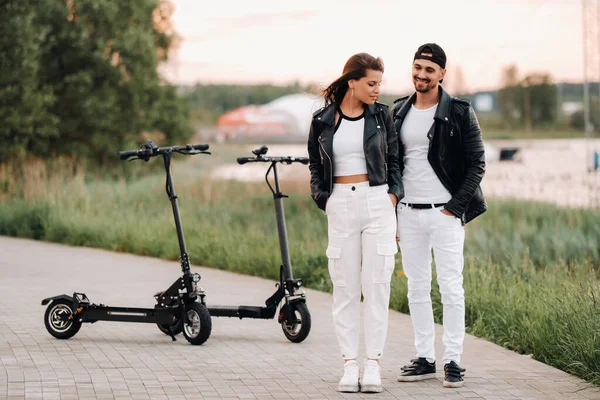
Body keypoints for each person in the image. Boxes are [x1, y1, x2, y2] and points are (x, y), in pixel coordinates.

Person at [392, 43, 486, 388]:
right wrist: (394, 207)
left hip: (444, 214)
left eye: (429, 70)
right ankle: (425, 358)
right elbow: (392, 164)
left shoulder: (459, 112)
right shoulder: (398, 111)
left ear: (442, 74)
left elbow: (477, 164)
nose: (421, 74)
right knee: (416, 288)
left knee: (451, 288)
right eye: (417, 67)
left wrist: (453, 208)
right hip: (408, 213)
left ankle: (453, 361)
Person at [307, 53, 402, 393]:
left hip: (377, 201)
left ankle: (373, 364)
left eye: (379, 83)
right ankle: (349, 365)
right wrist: (325, 199)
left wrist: (392, 196)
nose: (377, 89)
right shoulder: (322, 119)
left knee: (376, 286)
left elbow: (395, 161)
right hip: (340, 205)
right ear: (352, 82)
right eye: (371, 83)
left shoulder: (382, 116)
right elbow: (315, 167)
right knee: (345, 288)